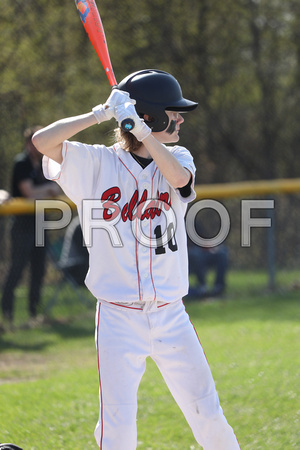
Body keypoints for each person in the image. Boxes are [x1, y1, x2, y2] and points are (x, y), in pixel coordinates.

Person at [32, 69, 240, 449]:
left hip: (170, 315)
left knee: (208, 414)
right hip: (118, 317)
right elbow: (41, 141)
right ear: (151, 115)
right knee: (118, 429)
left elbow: (179, 180)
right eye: (172, 112)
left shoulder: (177, 156)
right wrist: (99, 114)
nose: (179, 119)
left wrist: (142, 133)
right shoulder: (97, 162)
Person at [1, 126, 60, 330]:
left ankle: (34, 314)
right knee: (16, 269)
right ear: (29, 144)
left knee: (39, 269)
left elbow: (57, 186)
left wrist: (47, 189)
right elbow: (29, 192)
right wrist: (48, 189)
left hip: (40, 224)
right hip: (22, 225)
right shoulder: (22, 163)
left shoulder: (45, 164)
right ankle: (6, 314)